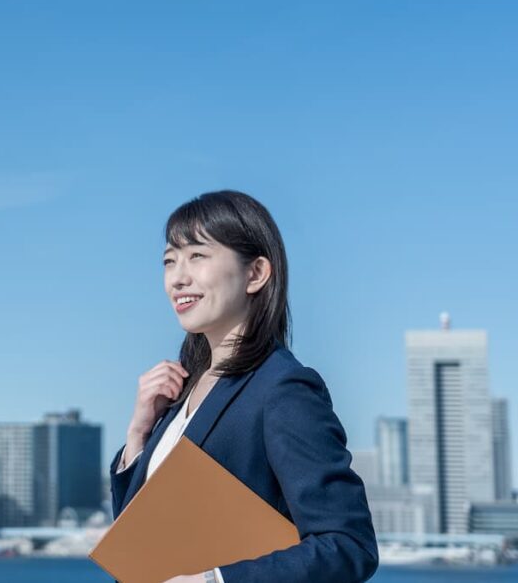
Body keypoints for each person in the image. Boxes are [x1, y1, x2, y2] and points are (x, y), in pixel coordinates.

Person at [110, 190, 377, 583]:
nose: (178, 277)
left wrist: (215, 581)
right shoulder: (180, 392)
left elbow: (348, 545)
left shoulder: (283, 388)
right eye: (169, 261)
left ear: (256, 273)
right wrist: (138, 436)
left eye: (197, 256)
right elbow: (141, 542)